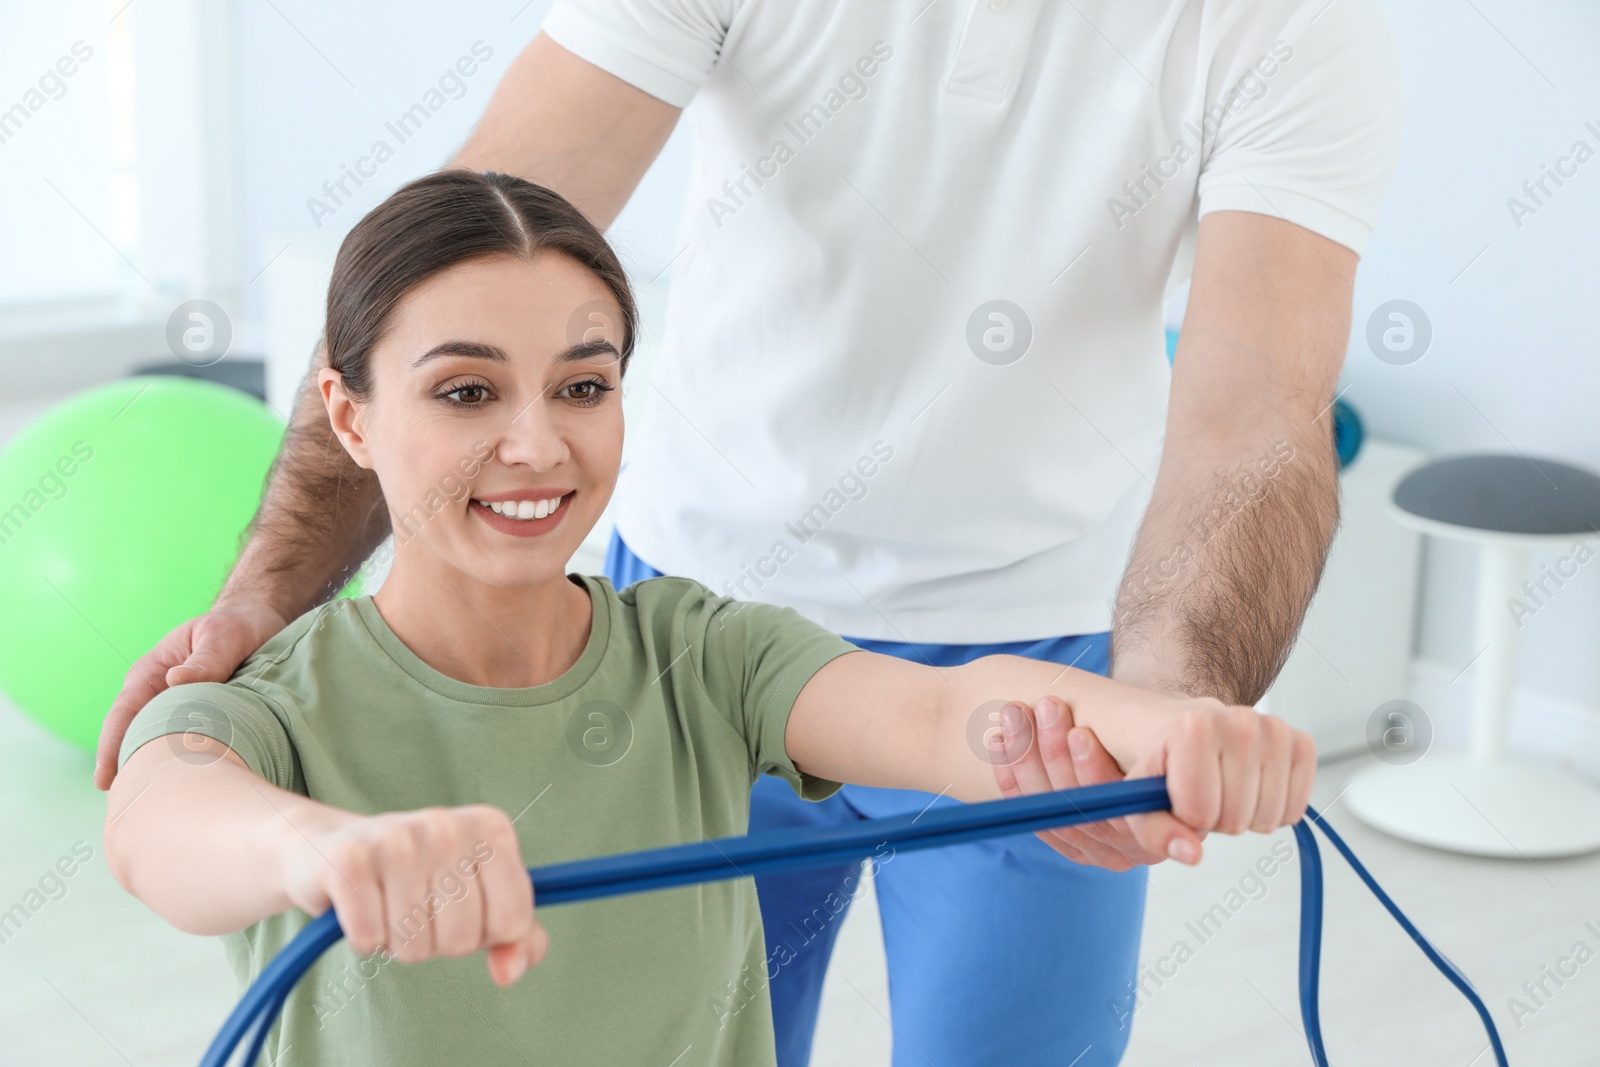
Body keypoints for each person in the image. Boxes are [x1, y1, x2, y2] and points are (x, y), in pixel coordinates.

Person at [96, 3, 1403, 1064]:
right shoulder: (363, 696)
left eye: (584, 385)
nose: (535, 440)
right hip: (709, 590)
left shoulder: (1292, 27)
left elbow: (1257, 426)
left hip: (1031, 647)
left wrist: (1173, 727)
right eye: (470, 393)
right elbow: (450, 260)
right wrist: (276, 651)